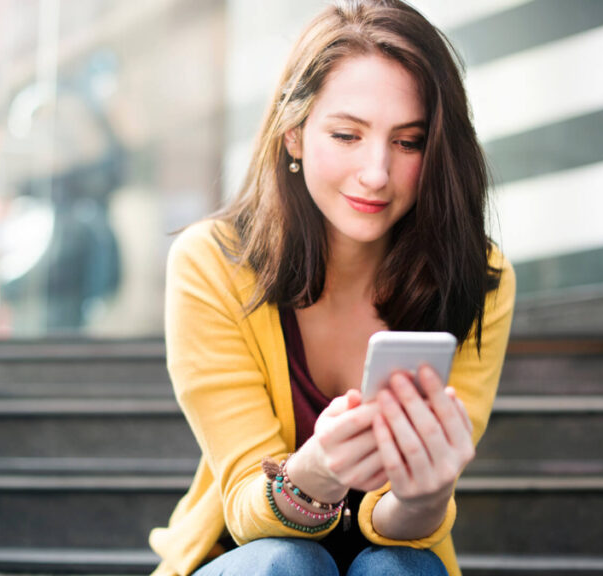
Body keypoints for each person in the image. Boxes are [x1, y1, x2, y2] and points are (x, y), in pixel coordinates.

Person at [149, 1, 515, 574]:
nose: (376, 173)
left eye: (408, 142)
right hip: (248, 558)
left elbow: (409, 529)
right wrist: (316, 470)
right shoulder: (211, 263)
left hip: (394, 556)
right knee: (288, 563)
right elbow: (246, 503)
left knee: (400, 570)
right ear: (293, 134)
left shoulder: (479, 276)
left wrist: (424, 496)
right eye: (347, 135)